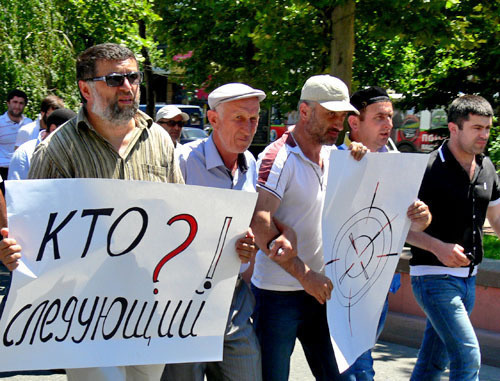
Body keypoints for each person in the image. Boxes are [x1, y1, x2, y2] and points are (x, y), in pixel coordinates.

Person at [0, 42, 183, 381]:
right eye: (114, 79)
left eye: (133, 77)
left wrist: (224, 245)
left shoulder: (159, 139)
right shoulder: (56, 152)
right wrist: (16, 254)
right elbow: (38, 239)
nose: (127, 88)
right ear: (85, 88)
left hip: (150, 305)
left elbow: (182, 215)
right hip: (85, 311)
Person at [249, 75, 367, 381]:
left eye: (342, 116)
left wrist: (359, 165)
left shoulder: (334, 154)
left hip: (322, 292)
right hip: (278, 296)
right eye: (331, 114)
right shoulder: (278, 157)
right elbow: (260, 221)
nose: (339, 124)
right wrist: (305, 275)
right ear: (304, 111)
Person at [161, 83, 265, 381]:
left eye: (254, 119)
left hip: (231, 301)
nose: (249, 128)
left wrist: (248, 245)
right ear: (213, 119)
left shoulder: (250, 164)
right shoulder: (182, 161)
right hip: (180, 306)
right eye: (239, 118)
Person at [406, 95, 500, 380]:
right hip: (433, 278)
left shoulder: (487, 167)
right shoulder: (427, 169)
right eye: (476, 128)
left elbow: (496, 219)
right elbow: (399, 229)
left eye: (488, 128)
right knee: (467, 355)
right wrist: (438, 247)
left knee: (433, 363)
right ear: (454, 128)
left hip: (469, 279)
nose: (484, 135)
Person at [340, 86, 430, 380]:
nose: (389, 124)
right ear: (355, 122)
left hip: (379, 282)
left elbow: (408, 226)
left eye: (390, 117)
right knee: (359, 366)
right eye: (380, 117)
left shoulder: (397, 164)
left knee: (358, 360)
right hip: (340, 283)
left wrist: (421, 217)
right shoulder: (333, 159)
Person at [9, 108, 77, 180]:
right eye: (69, 135)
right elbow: (16, 188)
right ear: (53, 129)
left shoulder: (72, 154)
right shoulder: (25, 153)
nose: (72, 140)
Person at [0, 89, 32, 190]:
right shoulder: (0, 123)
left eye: (21, 103)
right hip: (2, 169)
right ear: (8, 103)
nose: (17, 106)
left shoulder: (29, 124)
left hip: (21, 170)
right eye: (15, 102)